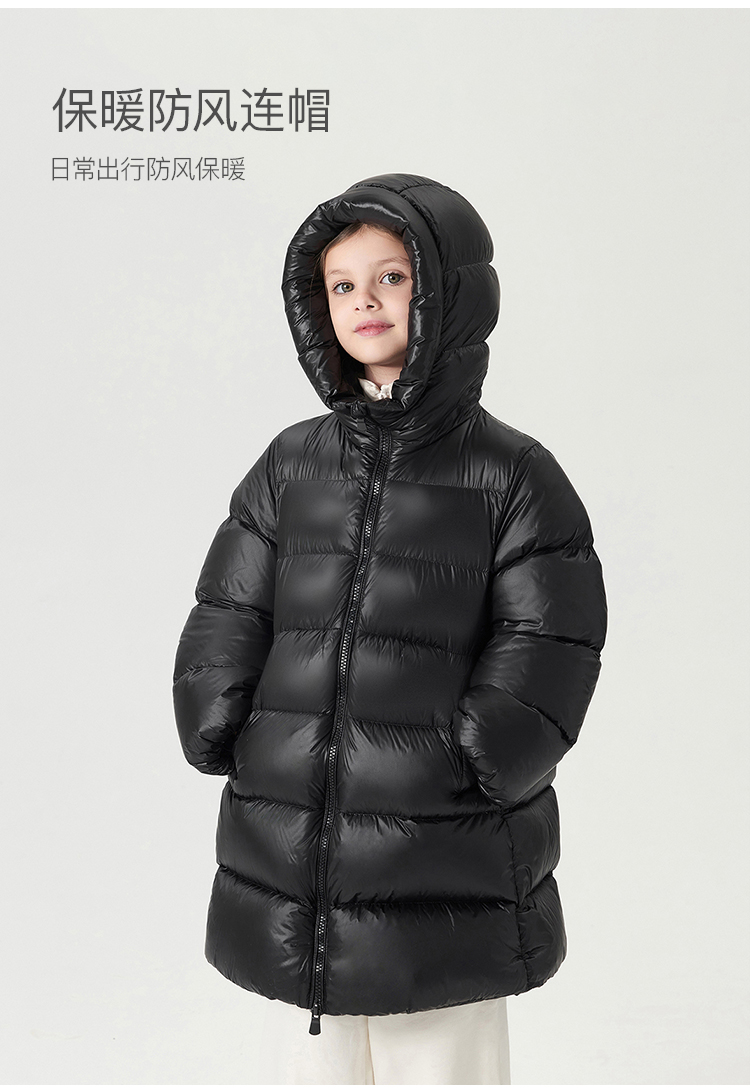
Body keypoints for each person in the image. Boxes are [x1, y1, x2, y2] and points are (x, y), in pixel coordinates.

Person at [172, 173, 608, 1085]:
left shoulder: (511, 475)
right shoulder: (292, 464)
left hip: (441, 854)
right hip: (289, 851)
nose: (364, 301)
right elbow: (230, 609)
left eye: (392, 277)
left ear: (448, 293)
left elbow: (549, 642)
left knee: (441, 1065)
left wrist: (477, 755)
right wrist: (220, 717)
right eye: (342, 284)